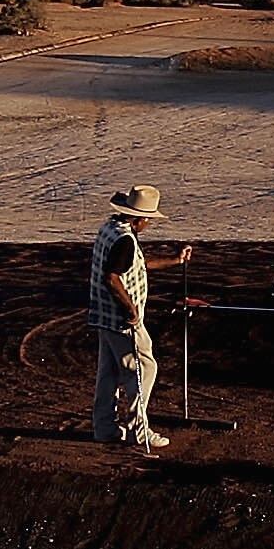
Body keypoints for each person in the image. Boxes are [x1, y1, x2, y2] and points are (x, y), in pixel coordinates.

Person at [89, 185, 191, 450]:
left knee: (109, 373)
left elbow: (137, 264)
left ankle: (105, 428)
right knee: (144, 369)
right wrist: (131, 310)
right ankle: (139, 430)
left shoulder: (111, 229)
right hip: (122, 320)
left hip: (103, 316)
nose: (149, 224)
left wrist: (175, 260)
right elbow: (112, 278)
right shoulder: (125, 240)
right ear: (138, 218)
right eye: (148, 219)